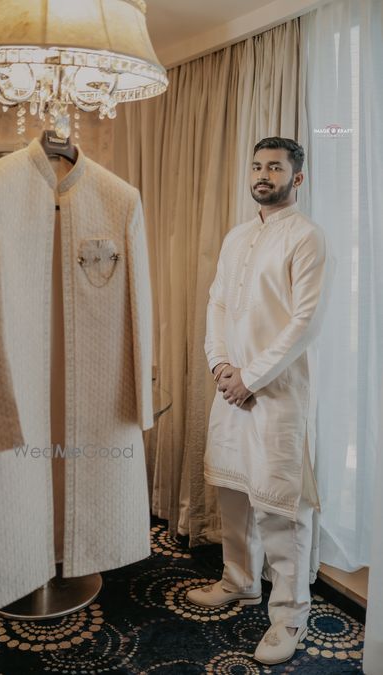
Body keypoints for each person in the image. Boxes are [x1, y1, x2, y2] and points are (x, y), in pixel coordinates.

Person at [186, 137, 335, 666]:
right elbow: (217, 304)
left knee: (279, 506)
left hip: (276, 394)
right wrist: (220, 365)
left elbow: (305, 323)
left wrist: (249, 376)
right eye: (256, 166)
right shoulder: (237, 236)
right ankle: (240, 580)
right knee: (232, 491)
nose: (263, 174)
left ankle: (290, 614)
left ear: (297, 178)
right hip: (231, 387)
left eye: (275, 167)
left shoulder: (307, 237)